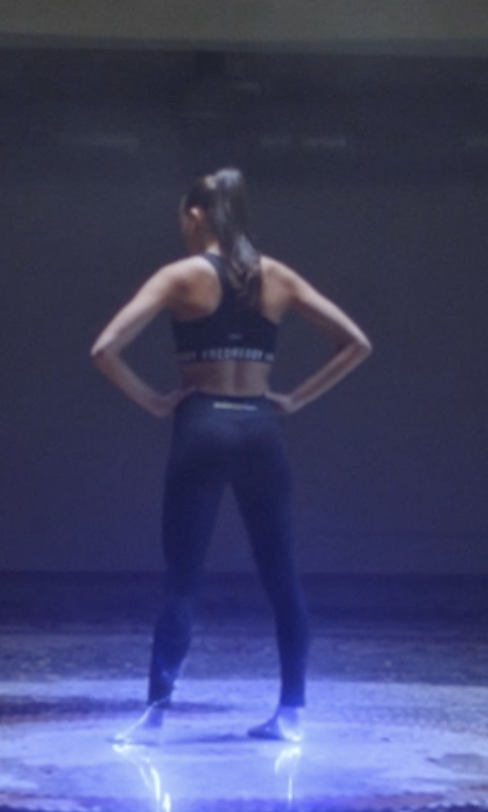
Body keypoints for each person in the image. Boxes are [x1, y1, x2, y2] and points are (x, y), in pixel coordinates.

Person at [89, 168, 372, 746]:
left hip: (203, 427)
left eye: (182, 218)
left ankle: (155, 718)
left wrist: (154, 401)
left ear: (196, 216)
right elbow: (357, 344)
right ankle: (291, 714)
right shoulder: (277, 276)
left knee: (183, 580)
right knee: (282, 576)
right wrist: (294, 398)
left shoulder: (181, 275)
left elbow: (104, 348)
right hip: (260, 429)